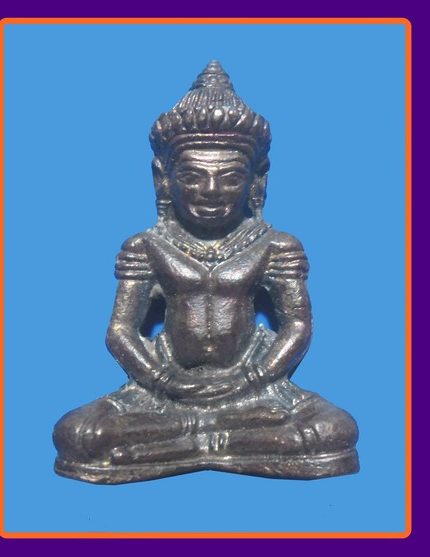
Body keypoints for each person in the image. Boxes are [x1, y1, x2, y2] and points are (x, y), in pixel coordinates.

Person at [53, 61, 358, 483]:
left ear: (256, 181)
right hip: (166, 387)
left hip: (254, 387)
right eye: (193, 176)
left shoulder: (275, 245)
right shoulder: (146, 246)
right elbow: (120, 331)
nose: (211, 192)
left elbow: (298, 326)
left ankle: (191, 439)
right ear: (163, 179)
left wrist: (250, 380)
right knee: (80, 434)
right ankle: (211, 437)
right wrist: (165, 382)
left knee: (332, 430)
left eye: (230, 178)